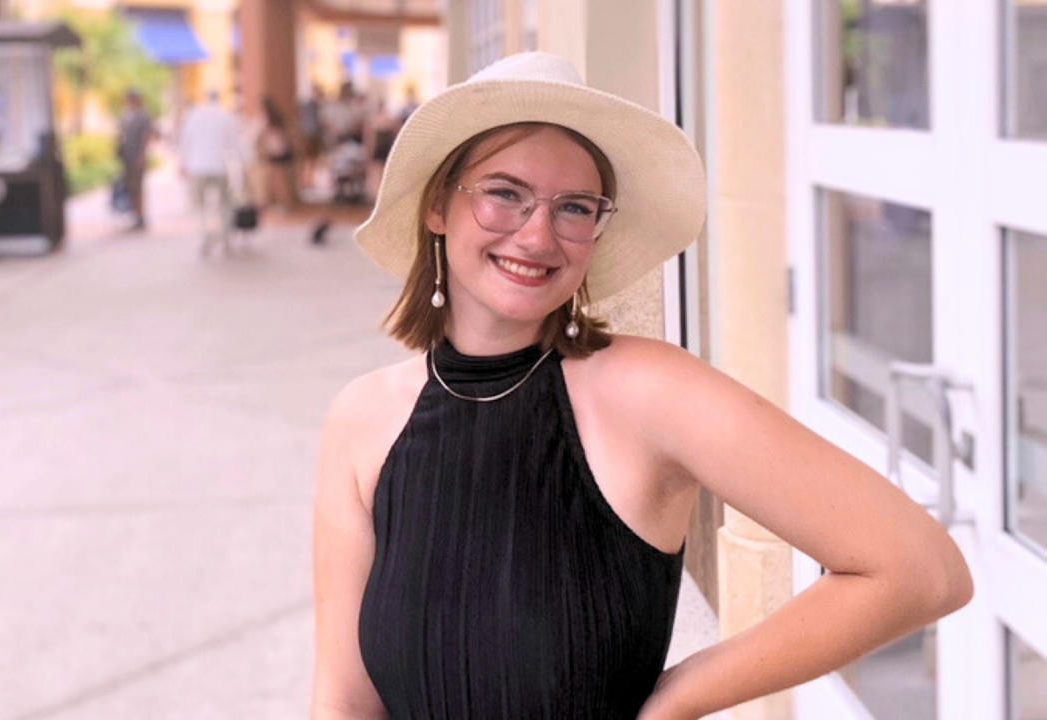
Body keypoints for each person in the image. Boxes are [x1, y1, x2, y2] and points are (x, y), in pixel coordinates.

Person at [311, 52, 973, 720]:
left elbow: (919, 570)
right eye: (505, 193)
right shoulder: (362, 421)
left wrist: (674, 700)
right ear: (436, 206)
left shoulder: (644, 391)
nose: (538, 234)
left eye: (574, 207)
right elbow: (343, 698)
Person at [177, 90, 241, 257]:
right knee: (224, 205)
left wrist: (182, 163)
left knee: (200, 206)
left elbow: (184, 142)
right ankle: (225, 239)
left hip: (198, 166)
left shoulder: (194, 117)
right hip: (220, 166)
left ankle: (204, 236)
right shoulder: (226, 117)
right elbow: (234, 145)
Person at [116, 89, 155, 231]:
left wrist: (142, 156)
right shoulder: (125, 116)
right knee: (130, 187)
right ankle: (134, 215)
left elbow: (147, 136)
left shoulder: (143, 117)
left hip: (137, 157)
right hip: (126, 157)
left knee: (138, 188)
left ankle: (140, 216)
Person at [258, 98, 297, 211]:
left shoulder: (267, 122)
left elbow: (264, 137)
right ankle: (277, 201)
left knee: (277, 180)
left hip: (276, 153)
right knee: (276, 179)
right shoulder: (278, 120)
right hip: (281, 152)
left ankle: (283, 202)